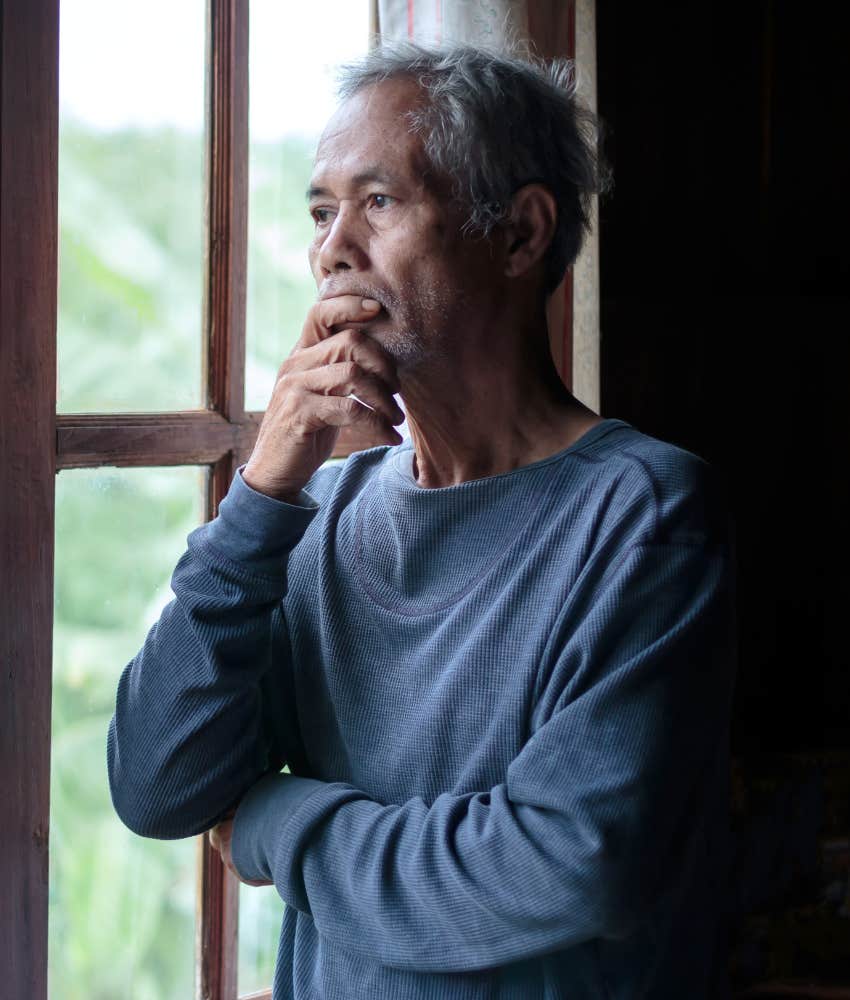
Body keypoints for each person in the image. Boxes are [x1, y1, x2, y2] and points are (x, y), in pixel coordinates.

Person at [108, 43, 737, 999]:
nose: (332, 250)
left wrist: (279, 823)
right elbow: (157, 787)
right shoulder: (319, 518)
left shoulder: (645, 513)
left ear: (520, 234)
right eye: (320, 213)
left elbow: (566, 865)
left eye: (378, 201)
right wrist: (263, 494)